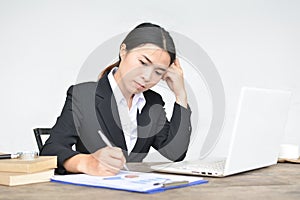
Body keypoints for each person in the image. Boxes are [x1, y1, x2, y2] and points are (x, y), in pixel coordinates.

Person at [41, 22, 192, 176]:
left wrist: (181, 95)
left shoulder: (153, 102)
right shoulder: (84, 96)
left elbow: (175, 153)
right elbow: (50, 151)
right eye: (143, 62)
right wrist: (87, 162)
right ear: (123, 51)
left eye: (158, 72)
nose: (147, 77)